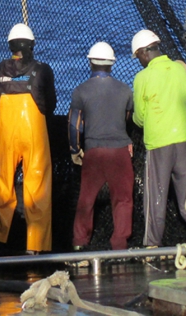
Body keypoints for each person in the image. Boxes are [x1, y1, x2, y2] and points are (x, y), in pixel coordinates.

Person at [131, 29, 186, 245]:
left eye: (137, 56)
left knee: (156, 198)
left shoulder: (142, 77)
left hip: (159, 144)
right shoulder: (180, 70)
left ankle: (152, 245)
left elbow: (139, 117)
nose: (138, 61)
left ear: (144, 53)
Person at [0, 23, 56, 254]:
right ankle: (35, 245)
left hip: (7, 133)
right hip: (34, 131)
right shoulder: (42, 70)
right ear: (31, 45)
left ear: (11, 46)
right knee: (37, 186)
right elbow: (50, 105)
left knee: (5, 183)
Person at [68, 42, 134, 251]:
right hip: (119, 152)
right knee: (123, 199)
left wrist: (75, 149)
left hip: (94, 152)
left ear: (90, 62)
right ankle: (120, 243)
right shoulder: (125, 90)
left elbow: (74, 124)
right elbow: (127, 119)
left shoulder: (81, 91)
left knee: (86, 199)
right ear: (112, 64)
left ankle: (80, 242)